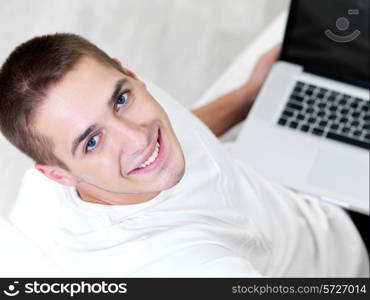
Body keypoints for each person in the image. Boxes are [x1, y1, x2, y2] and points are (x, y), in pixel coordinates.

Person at [0, 33, 368, 277]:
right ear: (58, 175)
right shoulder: (183, 267)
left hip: (284, 182)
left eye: (121, 100)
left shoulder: (118, 105)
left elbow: (177, 130)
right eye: (92, 142)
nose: (137, 138)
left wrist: (247, 96)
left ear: (127, 72)